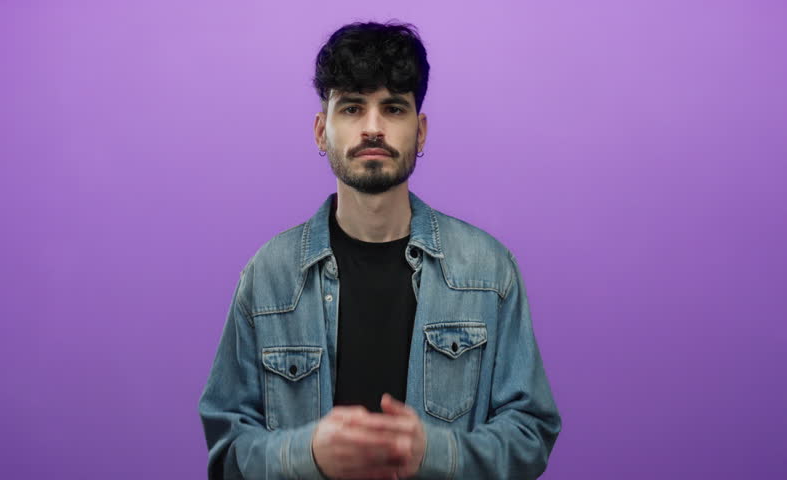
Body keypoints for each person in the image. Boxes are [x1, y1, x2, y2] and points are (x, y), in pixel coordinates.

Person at [198, 21, 562, 479]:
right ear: (320, 131)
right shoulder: (269, 274)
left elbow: (531, 432)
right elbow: (228, 451)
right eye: (351, 108)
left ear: (421, 131)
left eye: (392, 108)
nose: (373, 128)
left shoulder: (488, 270)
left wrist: (432, 453)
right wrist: (309, 454)